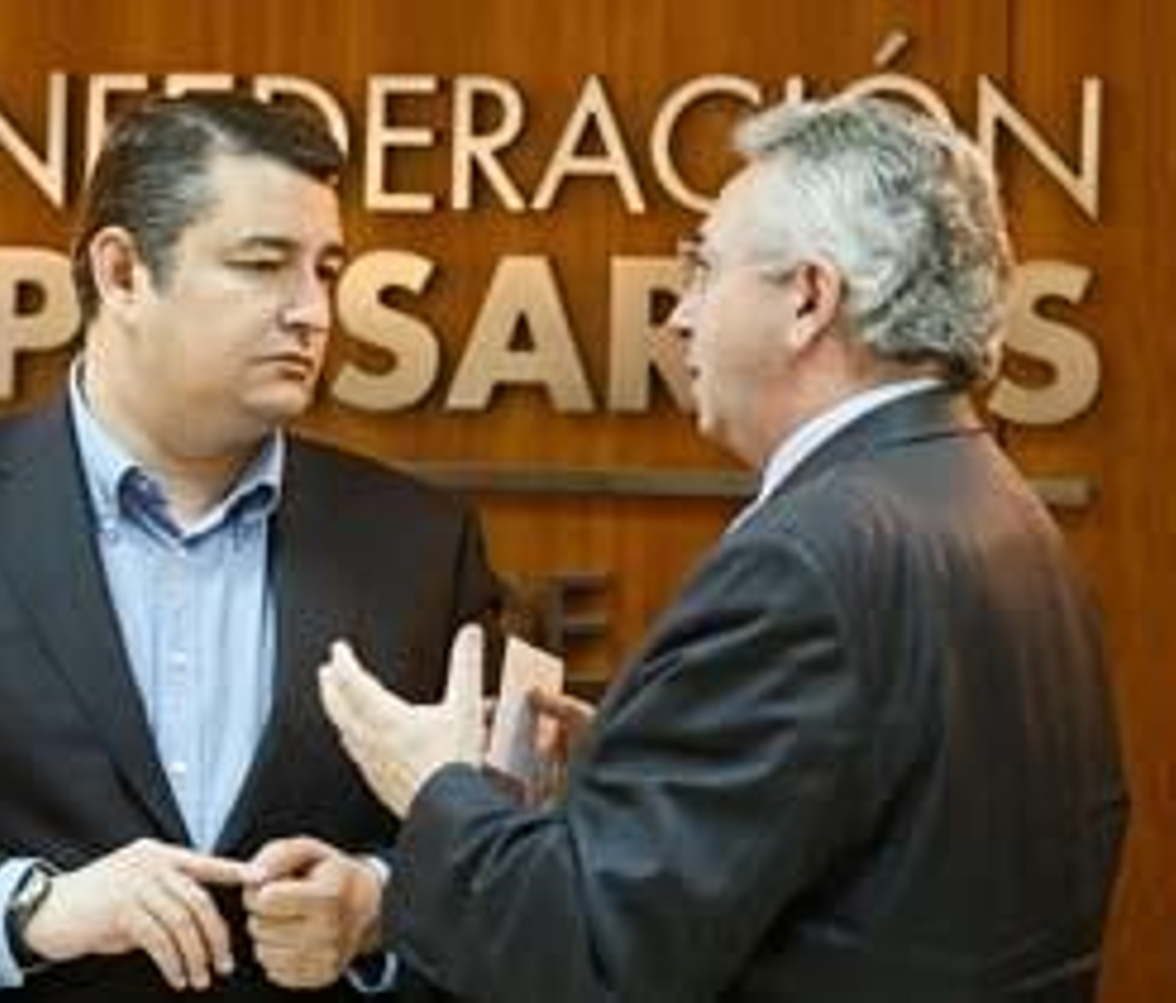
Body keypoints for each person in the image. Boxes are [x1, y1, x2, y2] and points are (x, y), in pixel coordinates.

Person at [319, 96, 1128, 1002]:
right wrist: (628, 768)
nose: (678, 315)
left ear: (809, 299)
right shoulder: (992, 501)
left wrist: (436, 786)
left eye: (703, 268)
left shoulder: (805, 562)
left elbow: (595, 956)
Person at [0, 92, 500, 1003]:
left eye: (326, 270)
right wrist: (30, 908)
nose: (313, 311)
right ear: (121, 272)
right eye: (264, 264)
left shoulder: (420, 544)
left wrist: (380, 903)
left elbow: (509, 854)